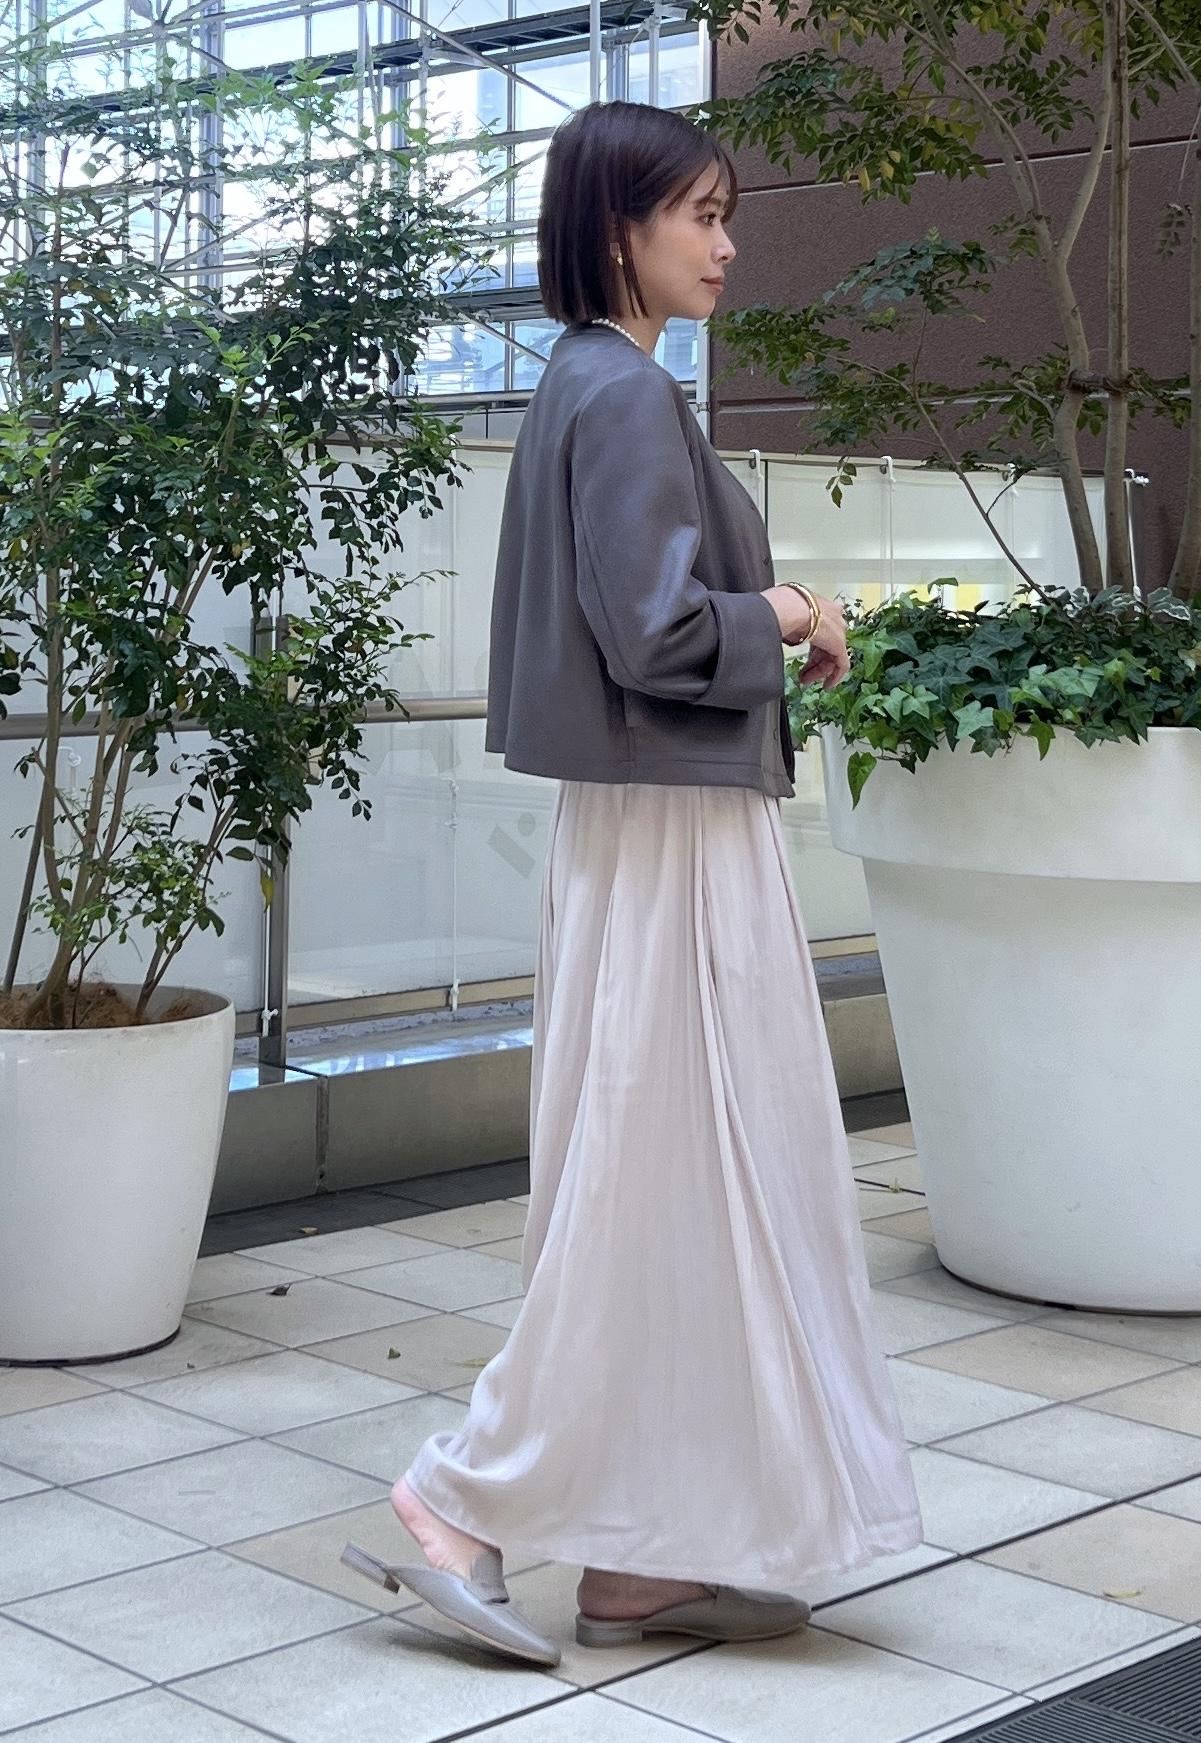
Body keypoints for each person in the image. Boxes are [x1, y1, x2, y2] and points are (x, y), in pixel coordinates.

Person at [342, 99, 923, 1668]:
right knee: (654, 1182)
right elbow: (655, 632)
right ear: (620, 228)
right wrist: (786, 607)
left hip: (656, 822)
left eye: (728, 215)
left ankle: (636, 1556)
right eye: (702, 216)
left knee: (673, 1184)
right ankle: (458, 1498)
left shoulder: (597, 384)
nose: (727, 246)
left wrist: (767, 614)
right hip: (670, 832)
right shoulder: (619, 393)